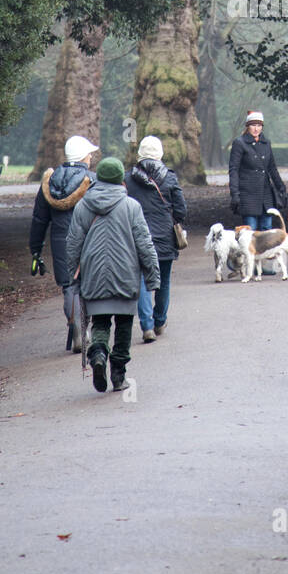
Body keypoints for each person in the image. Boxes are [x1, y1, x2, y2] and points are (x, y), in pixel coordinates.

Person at [66, 156, 161, 392]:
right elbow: (145, 245)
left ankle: (98, 352)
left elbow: (72, 244)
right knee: (125, 324)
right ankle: (118, 374)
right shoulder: (132, 207)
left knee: (100, 321)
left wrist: (73, 276)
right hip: (126, 274)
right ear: (120, 179)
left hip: (93, 274)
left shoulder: (82, 206)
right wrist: (152, 277)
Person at [29, 133, 98, 352]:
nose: (91, 158)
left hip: (61, 240)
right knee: (91, 282)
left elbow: (39, 219)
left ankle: (75, 325)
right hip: (88, 238)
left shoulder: (49, 181)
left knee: (69, 286)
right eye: (89, 154)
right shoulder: (92, 180)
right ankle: (88, 326)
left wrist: (35, 249)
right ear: (83, 157)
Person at [125, 135, 187, 342]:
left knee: (141, 280)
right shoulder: (169, 177)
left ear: (140, 154)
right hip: (164, 236)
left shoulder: (128, 179)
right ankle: (160, 320)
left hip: (138, 236)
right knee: (164, 280)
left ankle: (147, 326)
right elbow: (181, 209)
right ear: (160, 153)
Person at [228, 111, 288, 273]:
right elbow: (233, 170)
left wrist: (281, 187)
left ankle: (261, 265)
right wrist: (234, 193)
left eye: (259, 125)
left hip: (265, 193)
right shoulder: (239, 143)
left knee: (266, 230)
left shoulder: (266, 143)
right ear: (247, 127)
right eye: (253, 125)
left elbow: (272, 168)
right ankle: (247, 265)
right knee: (249, 231)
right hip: (247, 193)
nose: (256, 129)